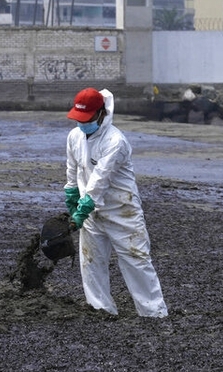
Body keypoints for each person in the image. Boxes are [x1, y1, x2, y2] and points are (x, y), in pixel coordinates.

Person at [64, 87, 168, 318]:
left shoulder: (115, 141)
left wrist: (82, 209)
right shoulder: (74, 137)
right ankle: (100, 310)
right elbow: (73, 170)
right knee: (91, 263)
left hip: (122, 211)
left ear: (101, 113)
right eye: (78, 119)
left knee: (136, 261)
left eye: (87, 118)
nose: (82, 124)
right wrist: (71, 194)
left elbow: (100, 180)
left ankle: (154, 314)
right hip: (90, 212)